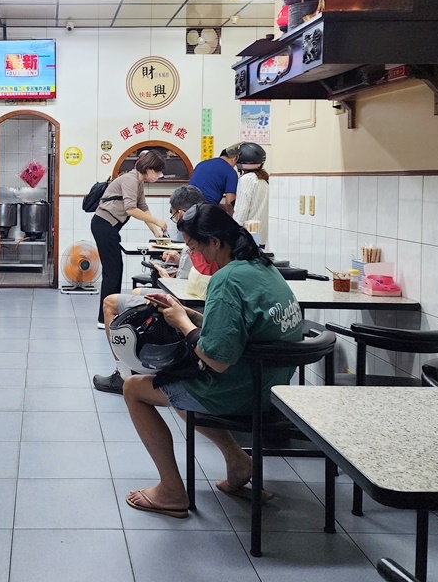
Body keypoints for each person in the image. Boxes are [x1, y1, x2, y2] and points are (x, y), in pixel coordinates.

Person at [120, 202, 303, 518]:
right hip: (273, 387)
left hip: (240, 390)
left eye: (193, 247)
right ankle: (237, 460)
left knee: (135, 388)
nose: (193, 255)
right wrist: (189, 314)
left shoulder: (227, 280)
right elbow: (239, 328)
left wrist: (182, 324)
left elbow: (216, 360)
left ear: (214, 242)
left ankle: (171, 491)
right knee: (177, 388)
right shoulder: (262, 268)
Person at [92, 185, 206, 394]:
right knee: (136, 293)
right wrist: (178, 260)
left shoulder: (194, 232)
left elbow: (133, 209)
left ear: (181, 213)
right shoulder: (207, 229)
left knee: (109, 302)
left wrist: (165, 278)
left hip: (182, 300)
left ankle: (123, 375)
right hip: (187, 293)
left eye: (173, 216)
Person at [90, 149, 168, 327]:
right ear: (148, 169)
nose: (159, 175)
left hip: (109, 226)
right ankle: (104, 318)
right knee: (112, 271)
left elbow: (143, 207)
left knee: (116, 269)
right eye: (157, 171)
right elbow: (131, 209)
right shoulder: (130, 180)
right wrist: (157, 221)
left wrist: (156, 233)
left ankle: (112, 312)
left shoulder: (138, 182)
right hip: (103, 225)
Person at [233, 142, 270, 246]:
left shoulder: (247, 179)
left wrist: (232, 233)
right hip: (261, 238)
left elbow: (241, 212)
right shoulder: (263, 179)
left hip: (247, 239)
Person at [188, 142, 240, 211]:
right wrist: (232, 218)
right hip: (204, 212)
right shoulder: (230, 172)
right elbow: (229, 203)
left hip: (187, 207)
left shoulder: (201, 164)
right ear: (234, 158)